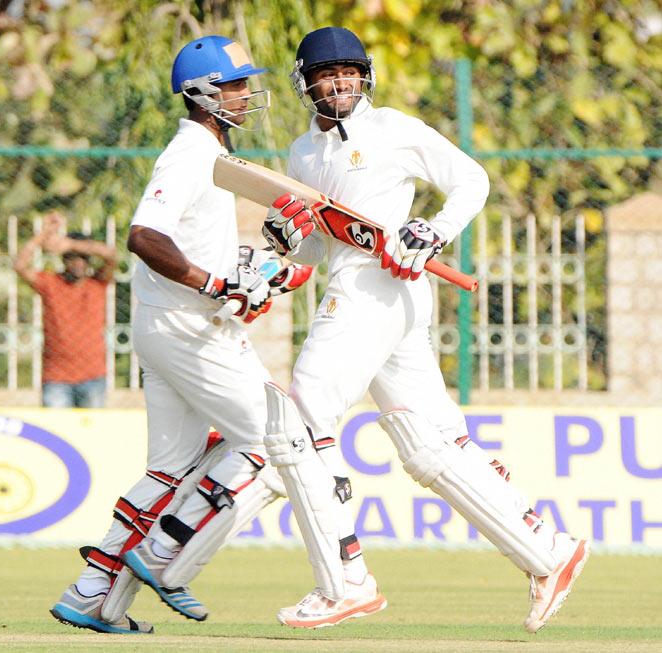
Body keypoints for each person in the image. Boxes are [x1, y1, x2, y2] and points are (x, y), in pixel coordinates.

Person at [260, 26, 590, 633]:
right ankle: (549, 552)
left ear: (365, 76)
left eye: (348, 72)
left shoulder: (393, 130)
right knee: (427, 442)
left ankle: (344, 579)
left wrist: (432, 230)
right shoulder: (303, 153)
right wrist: (288, 238)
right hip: (356, 286)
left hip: (383, 287)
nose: (338, 84)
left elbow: (472, 181)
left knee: (301, 415)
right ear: (305, 84)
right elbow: (321, 238)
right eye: (325, 75)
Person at [49, 34, 293, 634]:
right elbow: (144, 236)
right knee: (271, 439)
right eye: (235, 84)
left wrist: (253, 267)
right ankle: (168, 552)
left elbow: (194, 239)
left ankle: (91, 593)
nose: (245, 94)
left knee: (169, 467)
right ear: (203, 93)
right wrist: (216, 285)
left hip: (168, 327)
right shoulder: (188, 155)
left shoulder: (209, 157)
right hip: (189, 329)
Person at [14, 212, 117, 408]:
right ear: (63, 259)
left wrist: (71, 244)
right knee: (55, 436)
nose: (78, 262)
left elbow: (111, 254)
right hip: (57, 378)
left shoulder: (98, 283)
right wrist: (44, 234)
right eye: (71, 257)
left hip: (93, 376)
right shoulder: (50, 283)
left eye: (83, 258)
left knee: (92, 435)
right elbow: (20, 265)